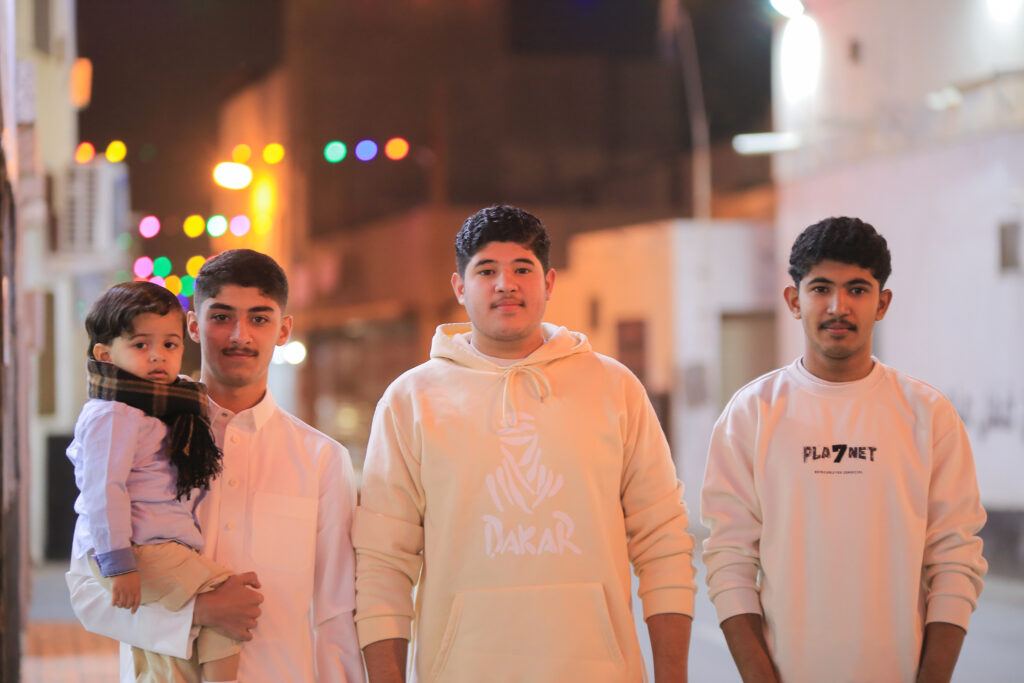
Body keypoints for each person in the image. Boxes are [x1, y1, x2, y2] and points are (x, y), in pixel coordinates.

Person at [354, 204, 695, 682]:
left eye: (522, 269)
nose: (505, 284)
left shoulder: (614, 388)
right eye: (486, 271)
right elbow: (383, 562)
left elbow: (663, 540)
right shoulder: (411, 400)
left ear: (549, 283)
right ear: (459, 287)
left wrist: (673, 674)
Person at [701, 216, 987, 682]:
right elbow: (729, 560)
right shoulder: (751, 414)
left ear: (882, 303)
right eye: (820, 289)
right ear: (794, 300)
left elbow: (956, 558)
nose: (839, 307)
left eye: (857, 289)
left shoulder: (928, 414)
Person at [67, 249, 366, 683]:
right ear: (193, 326)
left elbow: (335, 616)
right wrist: (199, 613)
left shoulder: (321, 460)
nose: (239, 335)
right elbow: (87, 592)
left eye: (259, 319)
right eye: (222, 317)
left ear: (283, 330)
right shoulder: (138, 439)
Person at [68, 281, 242, 683]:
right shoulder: (114, 414)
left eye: (169, 344)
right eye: (140, 344)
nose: (158, 356)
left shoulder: (162, 410)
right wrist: (119, 566)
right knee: (229, 602)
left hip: (155, 547)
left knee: (162, 655)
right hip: (141, 549)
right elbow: (103, 491)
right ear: (105, 355)